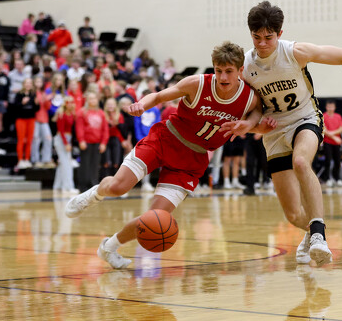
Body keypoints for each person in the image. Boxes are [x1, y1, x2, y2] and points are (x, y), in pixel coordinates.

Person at [64, 41, 274, 269]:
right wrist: (141, 105)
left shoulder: (249, 97)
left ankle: (109, 247)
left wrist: (253, 125)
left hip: (192, 160)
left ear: (240, 70)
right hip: (165, 139)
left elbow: (256, 113)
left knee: (154, 219)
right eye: (218, 70)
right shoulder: (197, 84)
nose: (223, 77)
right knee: (118, 187)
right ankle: (95, 194)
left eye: (229, 71)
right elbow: (157, 97)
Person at [222, 1, 342, 266]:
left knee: (301, 161)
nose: (262, 43)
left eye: (268, 37)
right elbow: (255, 110)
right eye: (256, 37)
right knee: (292, 214)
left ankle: (319, 236)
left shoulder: (295, 52)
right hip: (274, 130)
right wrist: (250, 125)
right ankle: (310, 232)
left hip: (305, 117)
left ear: (280, 33)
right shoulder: (246, 66)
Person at [75, 92, 109, 192]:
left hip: (97, 142)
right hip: (86, 142)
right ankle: (83, 186)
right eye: (90, 98)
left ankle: (93, 185)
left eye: (94, 98)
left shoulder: (101, 113)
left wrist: (103, 143)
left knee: (95, 165)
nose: (93, 100)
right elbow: (79, 127)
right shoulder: (82, 112)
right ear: (87, 100)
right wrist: (81, 140)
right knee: (85, 164)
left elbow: (105, 129)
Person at [52, 96, 78, 194]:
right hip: (61, 140)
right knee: (67, 164)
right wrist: (66, 143)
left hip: (68, 138)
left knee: (63, 163)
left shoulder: (72, 114)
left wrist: (68, 142)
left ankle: (58, 186)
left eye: (71, 102)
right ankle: (68, 187)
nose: (70, 104)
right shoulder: (61, 114)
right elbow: (61, 131)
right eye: (68, 102)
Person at [13, 78, 39, 169]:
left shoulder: (33, 94)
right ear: (23, 84)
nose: (28, 85)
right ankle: (20, 160)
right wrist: (22, 103)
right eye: (26, 83)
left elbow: (36, 109)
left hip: (31, 119)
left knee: (29, 140)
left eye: (30, 83)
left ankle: (27, 159)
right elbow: (15, 107)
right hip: (21, 119)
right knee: (21, 140)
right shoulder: (19, 94)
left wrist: (37, 104)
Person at [30, 76, 54, 168]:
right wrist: (40, 100)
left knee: (48, 138)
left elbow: (48, 107)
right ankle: (35, 160)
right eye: (37, 81)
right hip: (35, 119)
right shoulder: (32, 93)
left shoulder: (44, 93)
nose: (39, 83)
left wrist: (47, 100)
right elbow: (33, 105)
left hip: (44, 119)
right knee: (35, 139)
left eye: (40, 82)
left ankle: (46, 159)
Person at [322, 100, 342, 188]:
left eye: (332, 107)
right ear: (326, 107)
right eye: (329, 106)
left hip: (337, 143)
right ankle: (327, 179)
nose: (330, 108)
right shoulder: (323, 116)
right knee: (328, 161)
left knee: (337, 161)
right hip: (327, 142)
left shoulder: (338, 116)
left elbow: (341, 128)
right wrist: (334, 137)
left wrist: (333, 134)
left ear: (334, 107)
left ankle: (337, 179)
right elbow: (323, 129)